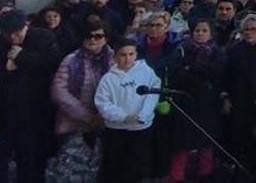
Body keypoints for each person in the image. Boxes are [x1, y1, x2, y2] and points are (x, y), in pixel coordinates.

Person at [0, 8, 60, 183]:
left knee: (31, 161)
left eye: (17, 33)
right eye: (8, 34)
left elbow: (51, 63)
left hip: (35, 113)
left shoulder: (43, 38)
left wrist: (21, 57)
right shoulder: (2, 42)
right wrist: (7, 70)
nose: (13, 38)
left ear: (25, 26)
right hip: (6, 113)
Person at [164, 19, 226, 183]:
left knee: (206, 142)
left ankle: (205, 174)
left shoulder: (217, 52)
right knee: (181, 143)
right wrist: (198, 72)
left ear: (210, 33)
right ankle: (177, 176)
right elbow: (175, 72)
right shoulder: (181, 49)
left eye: (204, 30)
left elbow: (217, 72)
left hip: (208, 103)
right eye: (197, 30)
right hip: (185, 101)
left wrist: (191, 68)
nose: (200, 33)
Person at [94, 37, 161, 183]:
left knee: (138, 166)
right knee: (118, 167)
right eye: (123, 55)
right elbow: (102, 103)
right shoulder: (108, 79)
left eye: (131, 54)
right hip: (117, 130)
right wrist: (123, 116)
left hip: (141, 128)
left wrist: (145, 113)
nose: (127, 58)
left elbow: (153, 93)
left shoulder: (146, 71)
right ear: (115, 56)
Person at [222, 13, 256, 182]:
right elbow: (225, 77)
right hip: (239, 104)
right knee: (238, 143)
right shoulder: (233, 51)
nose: (249, 32)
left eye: (254, 29)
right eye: (246, 29)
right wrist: (225, 97)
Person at [50, 15, 111, 143]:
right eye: (89, 36)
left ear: (106, 38)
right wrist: (87, 116)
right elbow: (58, 92)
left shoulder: (115, 59)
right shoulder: (71, 60)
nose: (93, 40)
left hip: (108, 122)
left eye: (98, 36)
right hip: (74, 123)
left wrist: (103, 115)